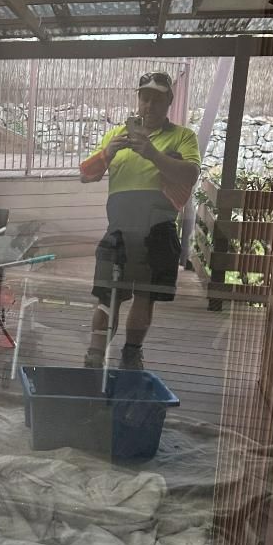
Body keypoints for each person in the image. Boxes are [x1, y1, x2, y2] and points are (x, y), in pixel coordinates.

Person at [79, 71, 201, 370]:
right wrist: (108, 152)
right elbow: (86, 175)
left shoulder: (183, 136)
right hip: (119, 229)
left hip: (157, 229)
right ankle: (94, 357)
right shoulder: (116, 135)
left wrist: (153, 154)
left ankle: (131, 353)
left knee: (145, 296)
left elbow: (191, 175)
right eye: (145, 98)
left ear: (169, 101)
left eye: (157, 99)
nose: (150, 105)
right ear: (138, 99)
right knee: (107, 295)